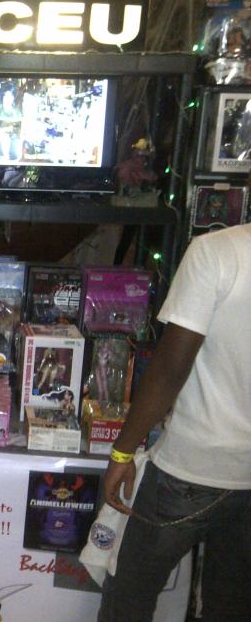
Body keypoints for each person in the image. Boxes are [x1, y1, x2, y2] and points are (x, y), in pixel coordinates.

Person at [98, 223, 251, 621]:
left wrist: (121, 452)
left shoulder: (218, 251)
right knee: (231, 606)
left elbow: (170, 369)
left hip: (190, 467)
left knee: (128, 598)